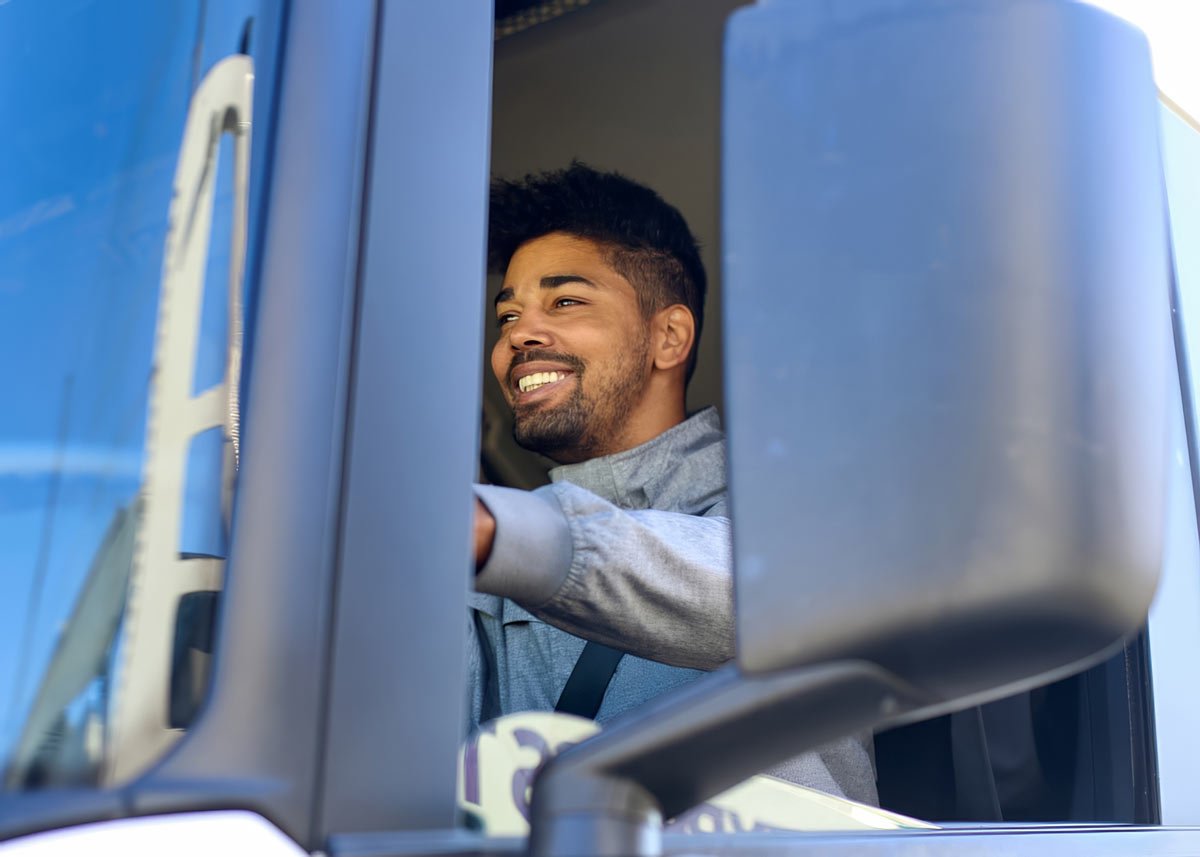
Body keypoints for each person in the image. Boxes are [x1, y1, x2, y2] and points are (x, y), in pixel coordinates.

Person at [467, 163, 876, 805]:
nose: (520, 334)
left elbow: (764, 593)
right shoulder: (479, 561)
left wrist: (502, 535)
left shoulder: (798, 505)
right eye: (507, 315)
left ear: (668, 337)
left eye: (565, 301)